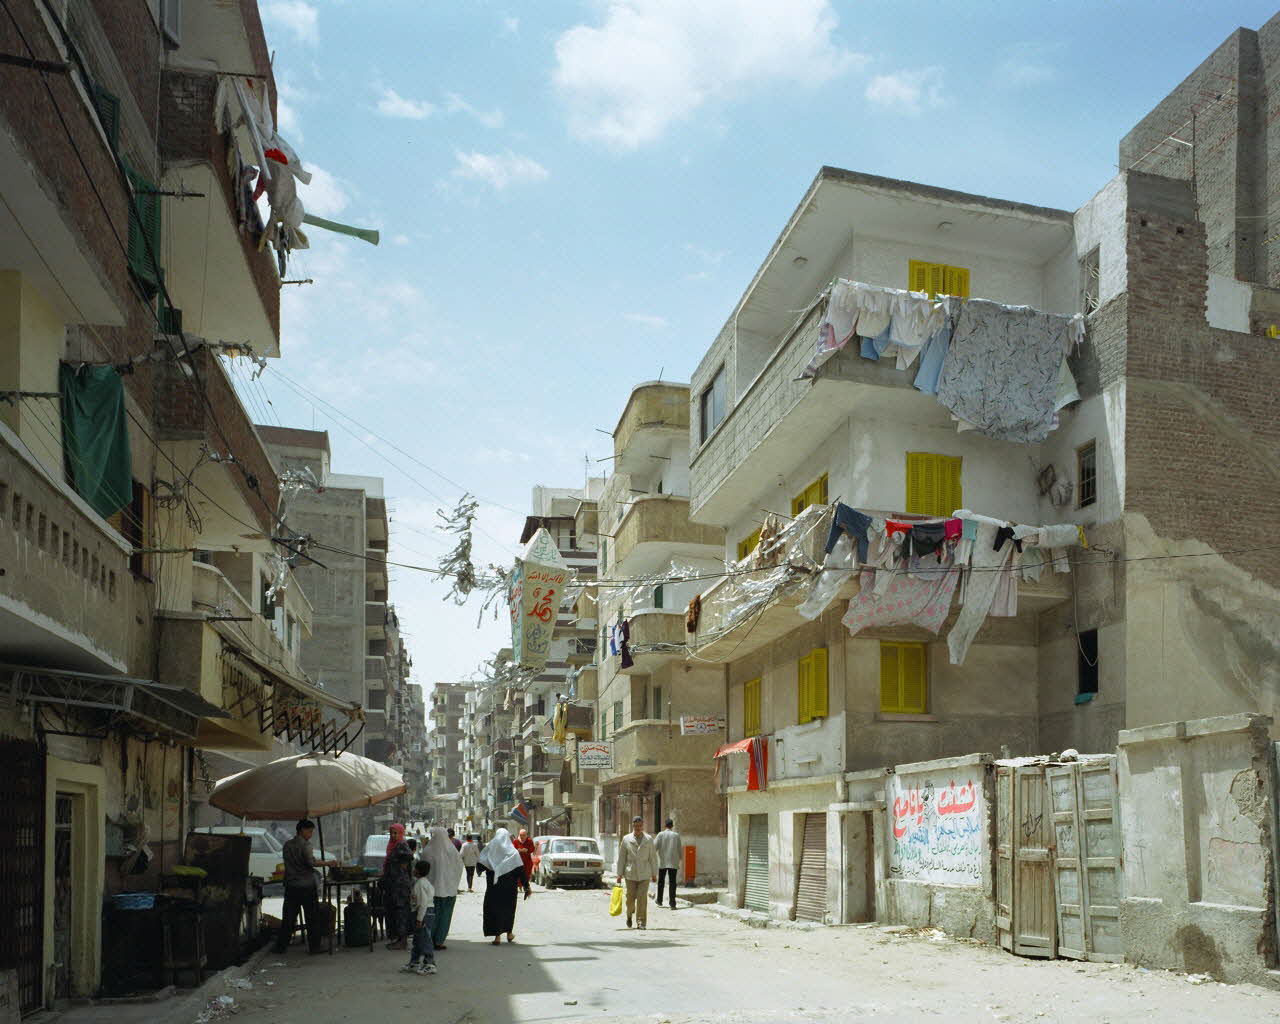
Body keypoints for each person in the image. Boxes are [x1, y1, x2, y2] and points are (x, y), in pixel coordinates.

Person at [273, 819, 337, 953]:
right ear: (302, 830)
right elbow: (311, 862)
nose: (311, 834)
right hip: (306, 886)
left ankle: (281, 946)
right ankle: (315, 947)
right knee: (312, 918)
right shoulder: (305, 845)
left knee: (289, 917)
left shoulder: (287, 845)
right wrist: (328, 863)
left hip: (291, 885)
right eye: (309, 831)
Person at [478, 827, 530, 945]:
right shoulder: (513, 853)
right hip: (509, 889)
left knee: (494, 910)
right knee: (508, 910)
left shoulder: (489, 850)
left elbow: (480, 863)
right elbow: (521, 871)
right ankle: (509, 933)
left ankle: (497, 937)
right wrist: (527, 887)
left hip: (493, 888)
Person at [423, 826, 464, 949]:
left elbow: (422, 868)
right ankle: (439, 941)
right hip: (449, 891)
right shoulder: (452, 851)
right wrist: (453, 882)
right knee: (445, 916)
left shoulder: (428, 850)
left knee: (431, 916)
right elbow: (459, 868)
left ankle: (429, 939)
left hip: (432, 891)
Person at [616, 816, 658, 930]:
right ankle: (629, 915)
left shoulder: (649, 839)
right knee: (630, 899)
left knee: (642, 898)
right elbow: (622, 858)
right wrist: (619, 874)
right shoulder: (626, 839)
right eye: (636, 826)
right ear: (633, 826)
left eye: (640, 826)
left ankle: (641, 921)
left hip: (645, 873)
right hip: (630, 873)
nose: (638, 828)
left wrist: (654, 874)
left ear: (642, 826)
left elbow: (653, 858)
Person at [401, 860, 438, 975]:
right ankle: (415, 962)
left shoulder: (420, 884)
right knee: (417, 940)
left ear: (417, 871)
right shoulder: (422, 882)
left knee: (425, 939)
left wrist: (419, 919)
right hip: (423, 913)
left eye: (414, 868)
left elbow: (423, 903)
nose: (413, 870)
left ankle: (430, 963)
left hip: (424, 914)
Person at [382, 823, 414, 950]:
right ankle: (399, 939)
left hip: (400, 885)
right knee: (395, 911)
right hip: (394, 884)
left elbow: (408, 857)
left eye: (396, 833)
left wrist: (401, 867)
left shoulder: (401, 844)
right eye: (392, 833)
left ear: (401, 833)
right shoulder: (392, 845)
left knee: (401, 911)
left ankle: (402, 940)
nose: (394, 835)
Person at [654, 819, 683, 910]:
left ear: (665, 825)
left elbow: (654, 847)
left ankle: (659, 900)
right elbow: (679, 849)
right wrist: (680, 859)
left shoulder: (660, 835)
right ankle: (672, 903)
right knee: (672, 882)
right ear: (672, 826)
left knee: (661, 881)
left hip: (662, 862)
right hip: (673, 862)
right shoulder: (676, 836)